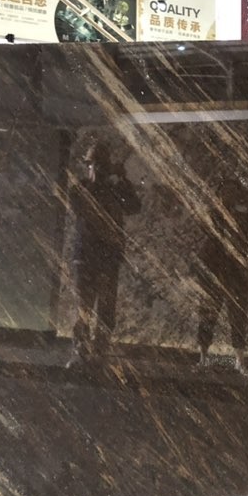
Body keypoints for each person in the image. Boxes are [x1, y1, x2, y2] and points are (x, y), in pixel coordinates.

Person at [69, 141, 140, 361]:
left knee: (106, 311)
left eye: (101, 165)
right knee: (84, 307)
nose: (97, 170)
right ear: (88, 166)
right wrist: (100, 181)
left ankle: (100, 350)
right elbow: (80, 205)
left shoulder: (115, 190)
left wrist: (123, 180)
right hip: (86, 257)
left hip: (107, 258)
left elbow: (134, 207)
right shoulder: (80, 188)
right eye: (94, 165)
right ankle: (80, 349)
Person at [195, 172, 248, 375]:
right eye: (225, 192)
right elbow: (208, 228)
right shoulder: (214, 213)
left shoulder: (243, 214)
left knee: (237, 315)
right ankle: (203, 356)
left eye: (233, 192)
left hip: (234, 269)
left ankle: (238, 360)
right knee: (209, 312)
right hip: (216, 267)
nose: (229, 196)